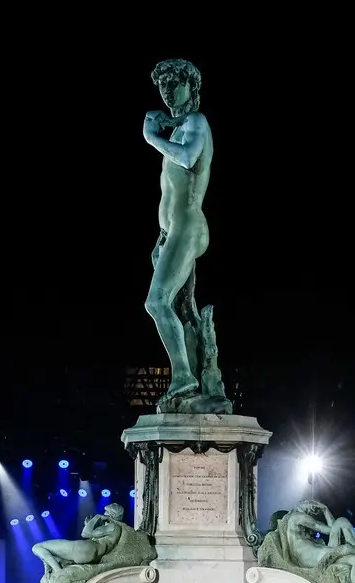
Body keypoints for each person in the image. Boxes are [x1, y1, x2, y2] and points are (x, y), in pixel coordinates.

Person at [142, 58, 216, 404]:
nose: (168, 92)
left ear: (191, 87)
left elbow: (187, 159)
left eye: (175, 85)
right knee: (183, 309)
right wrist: (161, 235)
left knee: (156, 301)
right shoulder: (179, 126)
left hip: (188, 225)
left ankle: (183, 377)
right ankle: (201, 376)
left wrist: (150, 136)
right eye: (163, 86)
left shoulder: (196, 122)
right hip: (173, 232)